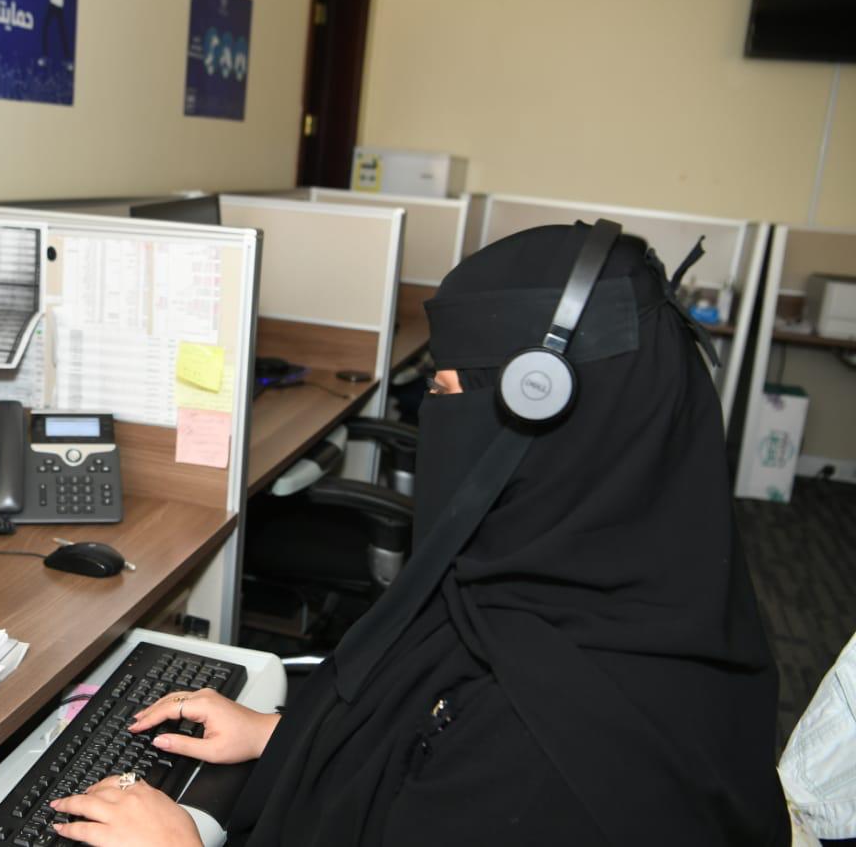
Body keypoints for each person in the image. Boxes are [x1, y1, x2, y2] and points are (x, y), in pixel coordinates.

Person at [49, 222, 790, 845]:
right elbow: (430, 734)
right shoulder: (584, 586)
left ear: (542, 402)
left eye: (445, 391)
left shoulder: (562, 755)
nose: (432, 414)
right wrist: (278, 736)